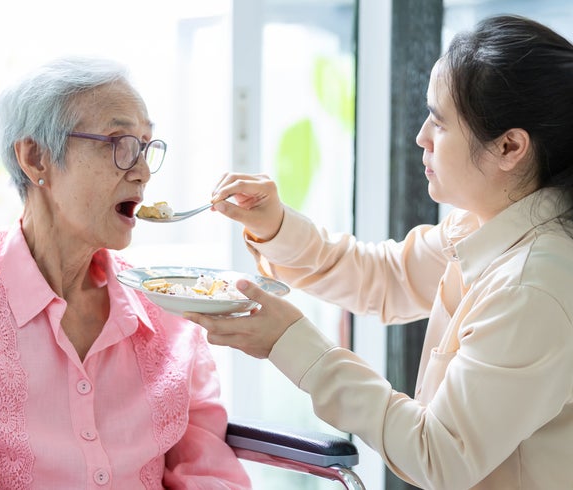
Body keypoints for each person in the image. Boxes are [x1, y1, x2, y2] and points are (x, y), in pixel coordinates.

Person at [186, 14, 573, 490]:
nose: (421, 138)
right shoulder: (490, 223)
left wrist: (292, 343)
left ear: (510, 146)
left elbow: (439, 456)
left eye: (440, 122)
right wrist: (276, 225)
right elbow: (385, 277)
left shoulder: (533, 287)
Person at [0, 57, 251, 489]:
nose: (143, 171)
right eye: (119, 142)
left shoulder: (167, 307)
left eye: (146, 145)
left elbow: (211, 475)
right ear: (35, 158)